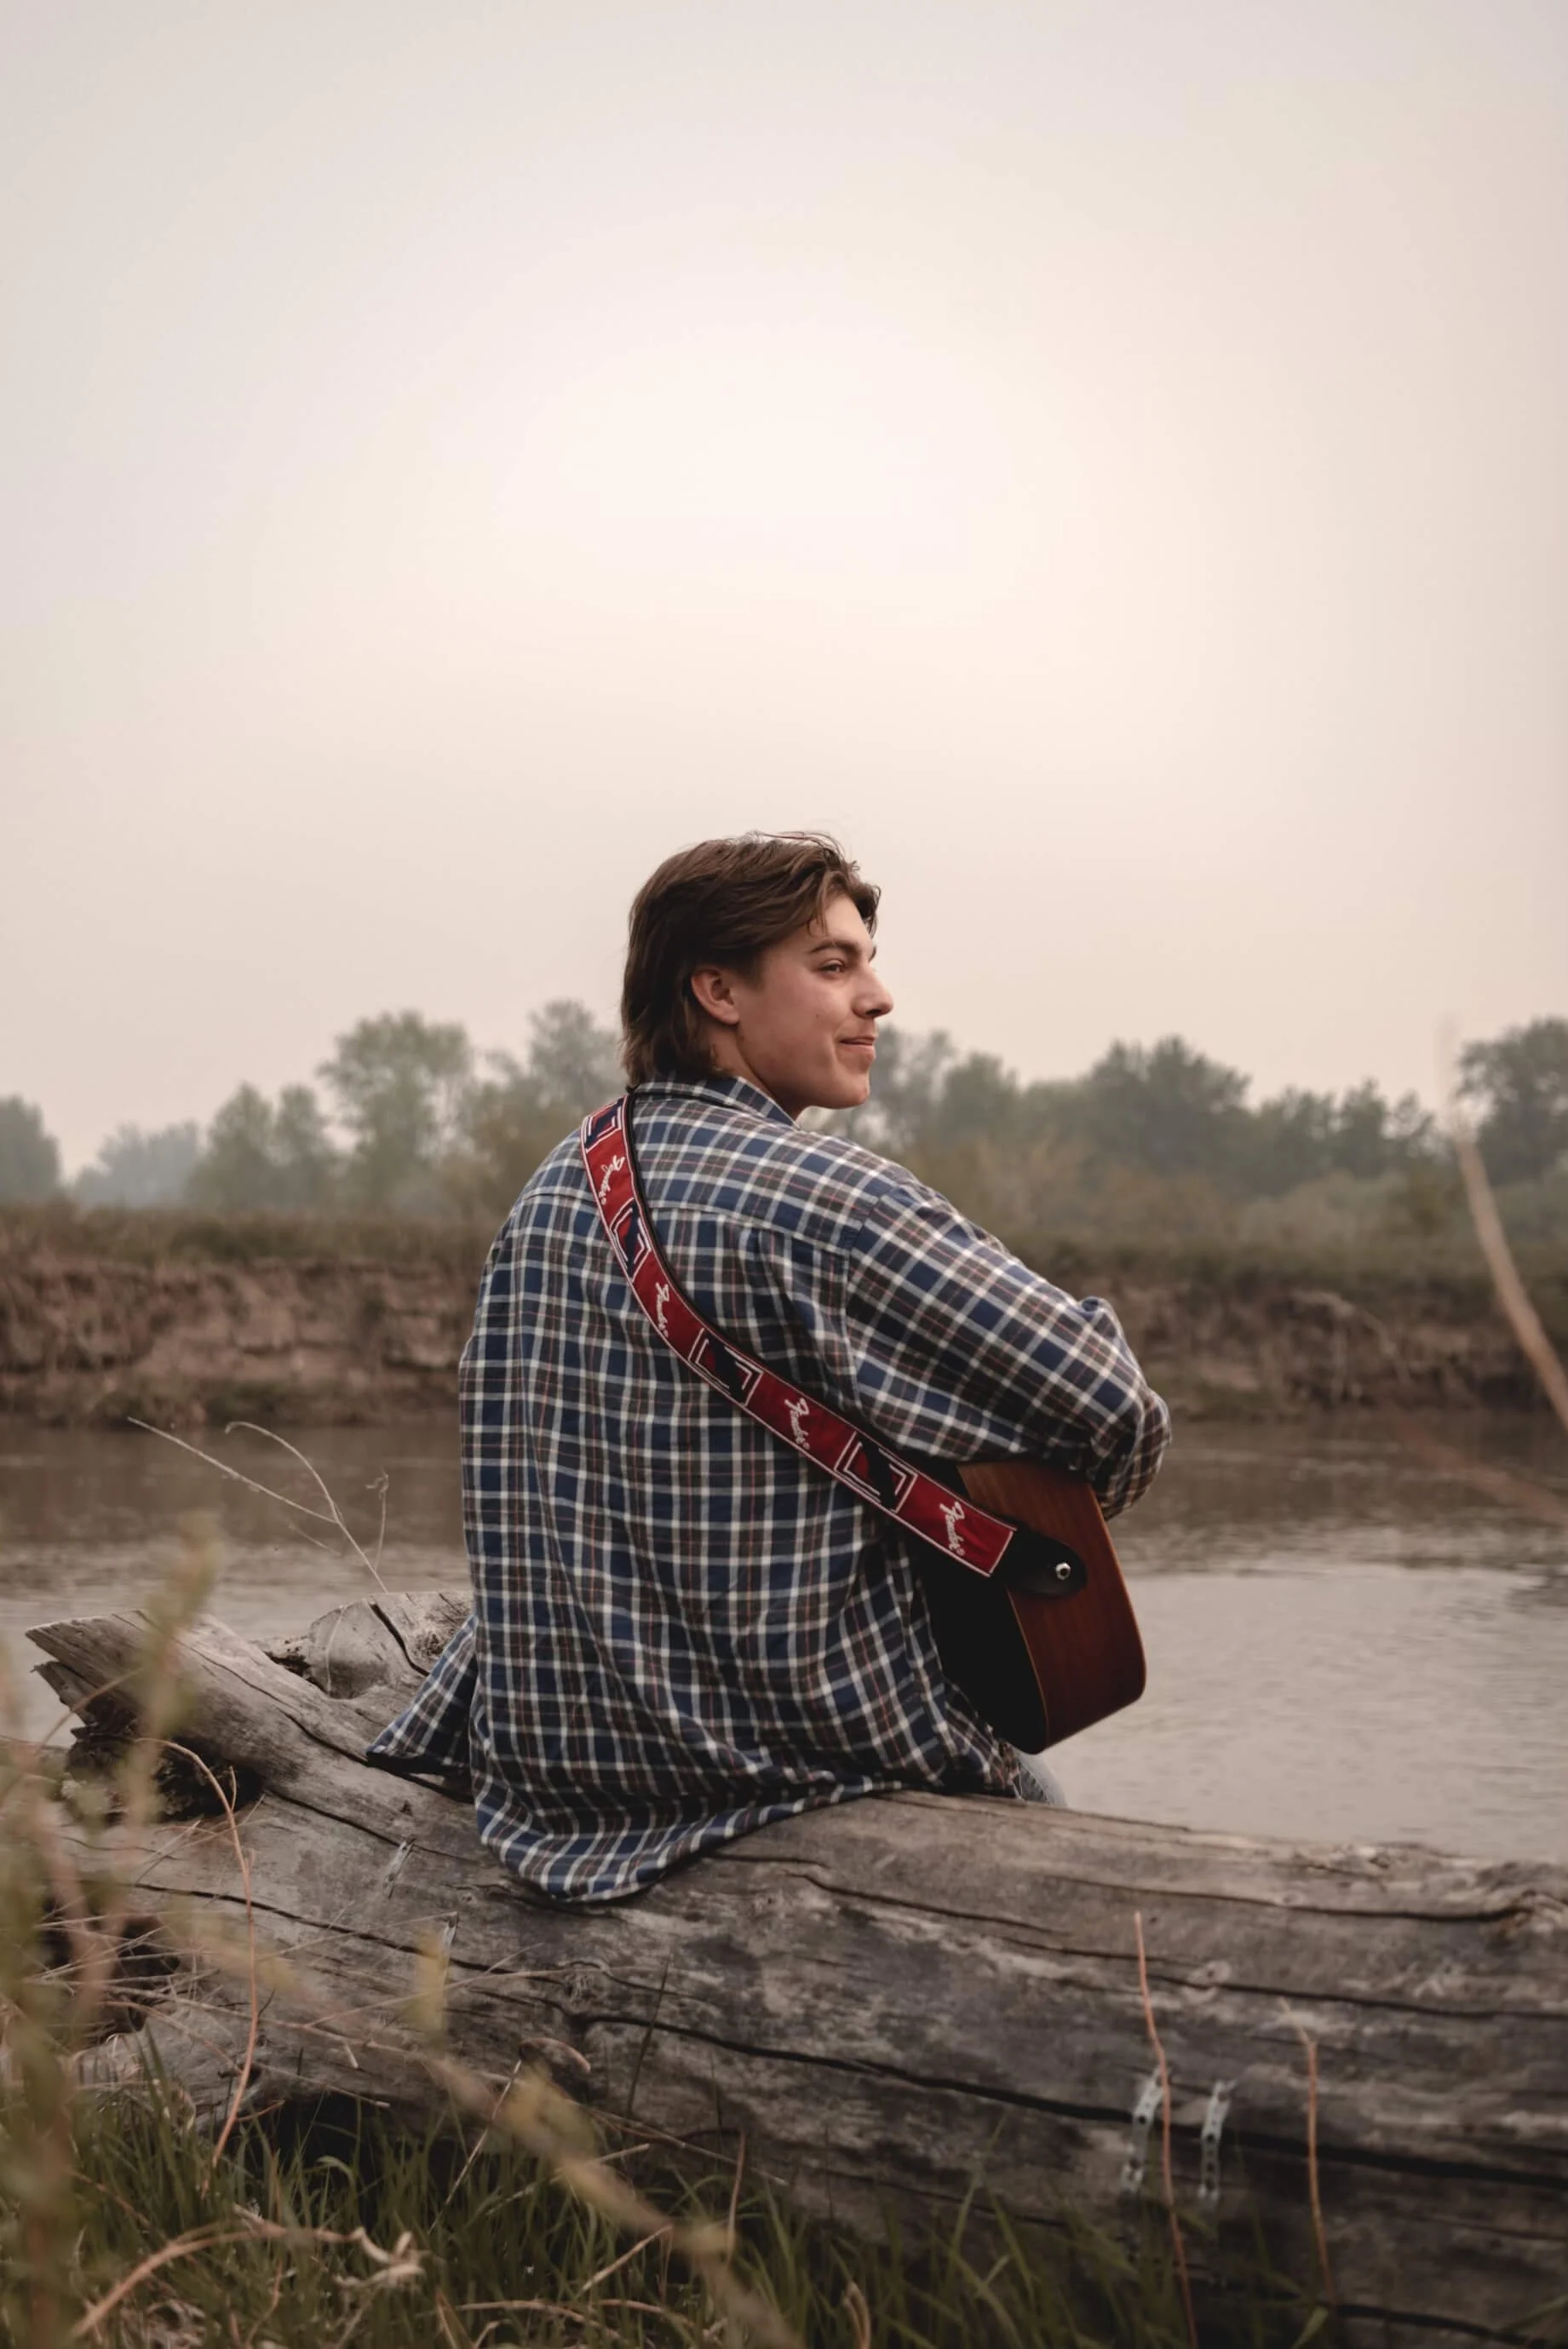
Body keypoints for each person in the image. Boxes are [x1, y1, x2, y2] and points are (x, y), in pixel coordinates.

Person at [369, 832, 1169, 1901]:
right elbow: (1116, 1409)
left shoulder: (553, 1189)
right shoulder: (832, 1203)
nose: (876, 997)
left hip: (554, 1791)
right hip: (802, 1771)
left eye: (865, 962)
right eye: (832, 967)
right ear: (717, 990)